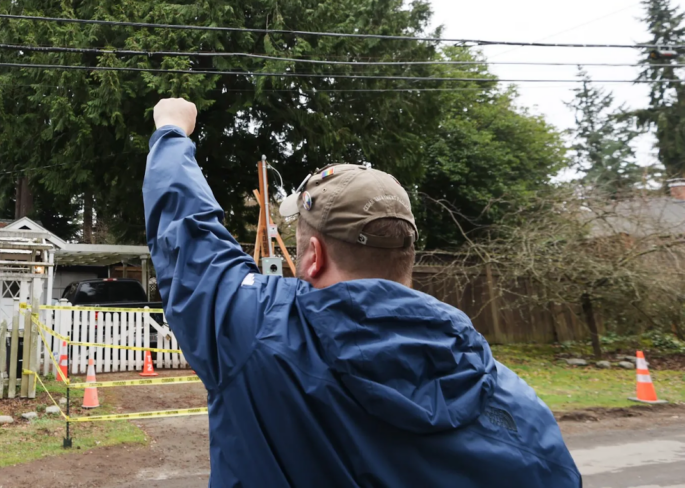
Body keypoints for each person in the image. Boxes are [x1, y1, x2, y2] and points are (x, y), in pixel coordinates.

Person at [143, 98, 581, 487]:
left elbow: (189, 237)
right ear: (407, 258)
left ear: (312, 256)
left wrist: (171, 134)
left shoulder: (252, 332)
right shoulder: (516, 405)